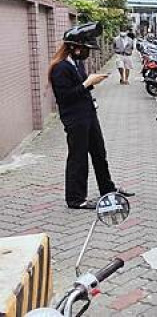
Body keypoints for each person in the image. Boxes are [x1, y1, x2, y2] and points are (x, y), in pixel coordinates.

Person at [49, 22, 134, 209]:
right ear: (74, 47)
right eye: (85, 48)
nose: (87, 52)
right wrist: (88, 83)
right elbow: (65, 97)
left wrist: (91, 82)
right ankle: (76, 199)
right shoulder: (60, 68)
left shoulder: (76, 63)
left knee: (99, 153)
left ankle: (107, 189)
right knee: (78, 158)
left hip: (87, 114)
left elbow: (79, 88)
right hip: (75, 119)